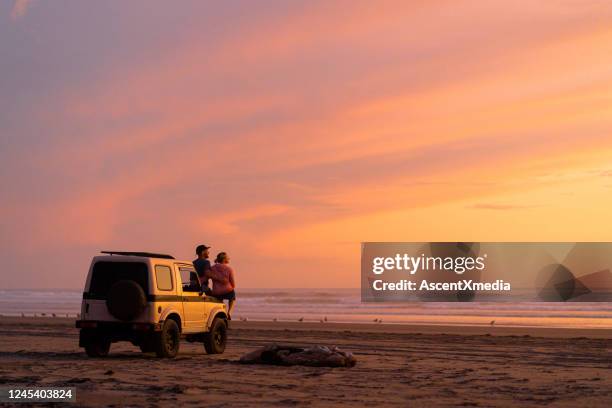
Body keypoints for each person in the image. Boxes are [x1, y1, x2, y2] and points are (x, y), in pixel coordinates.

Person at [207, 252, 236, 319]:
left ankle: (223, 311)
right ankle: (229, 312)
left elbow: (208, 276)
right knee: (232, 297)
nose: (229, 259)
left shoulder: (212, 268)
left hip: (216, 291)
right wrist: (232, 287)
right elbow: (233, 283)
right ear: (224, 259)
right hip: (227, 290)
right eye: (228, 258)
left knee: (220, 301)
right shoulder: (229, 269)